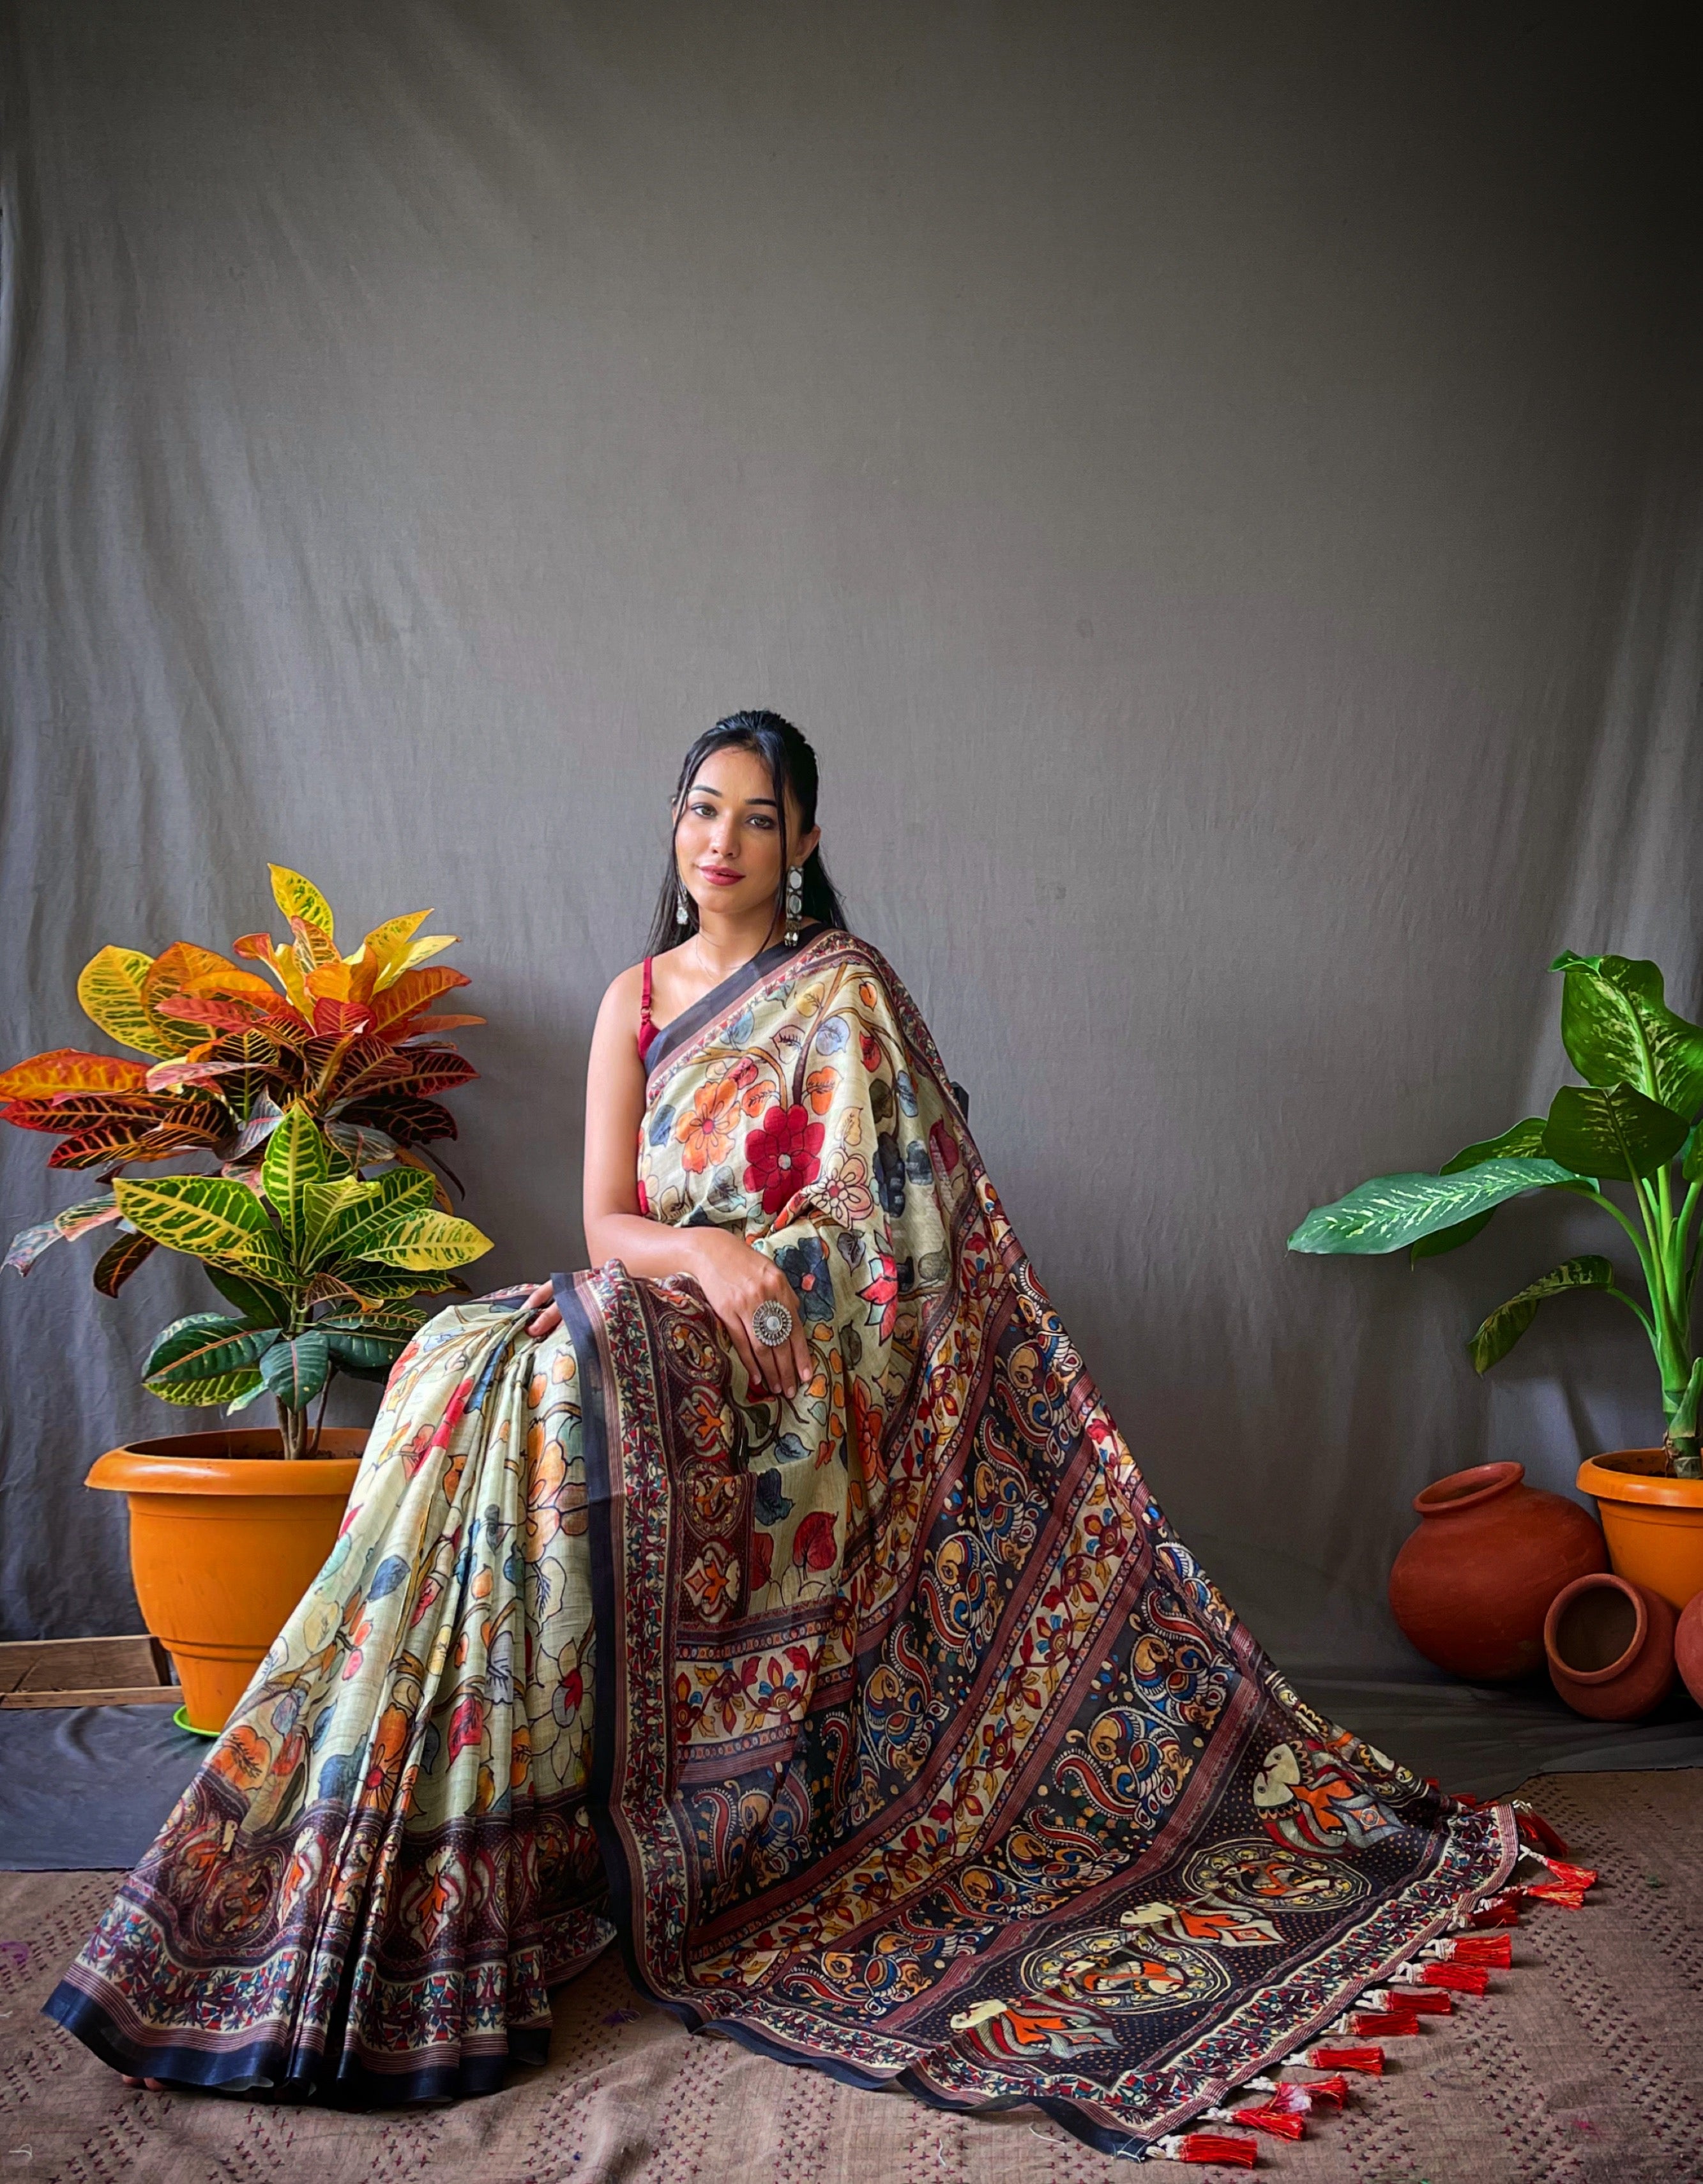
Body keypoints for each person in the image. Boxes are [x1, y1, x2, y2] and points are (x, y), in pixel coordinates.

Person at [47, 711, 1521, 2154]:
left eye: (759, 816)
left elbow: (906, 1239)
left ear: (804, 842)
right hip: (680, 1305)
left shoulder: (843, 991)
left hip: (809, 1356)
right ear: (674, 823)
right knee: (458, 1361)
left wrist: (775, 1269)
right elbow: (608, 1223)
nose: (724, 839)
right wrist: (706, 1257)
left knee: (553, 1367)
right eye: (703, 806)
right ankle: (426, 1848)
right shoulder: (636, 997)